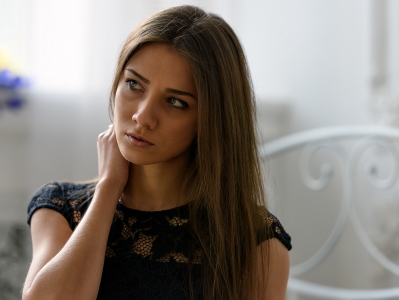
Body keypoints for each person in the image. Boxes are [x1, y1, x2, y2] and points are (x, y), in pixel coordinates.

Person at [23, 5, 291, 300]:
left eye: (175, 102)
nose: (143, 116)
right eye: (134, 84)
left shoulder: (255, 240)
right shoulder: (61, 209)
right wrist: (109, 186)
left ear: (213, 121)